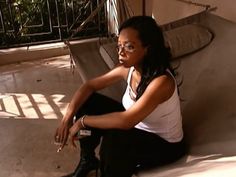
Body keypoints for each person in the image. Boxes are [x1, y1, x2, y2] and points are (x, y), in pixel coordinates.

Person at [54, 16, 186, 177]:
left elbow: (126, 121)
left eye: (129, 47)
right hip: (135, 128)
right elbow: (89, 86)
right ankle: (87, 161)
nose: (120, 52)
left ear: (147, 49)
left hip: (165, 145)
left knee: (115, 137)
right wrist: (67, 118)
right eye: (119, 46)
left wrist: (82, 121)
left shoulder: (161, 82)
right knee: (89, 101)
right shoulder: (127, 68)